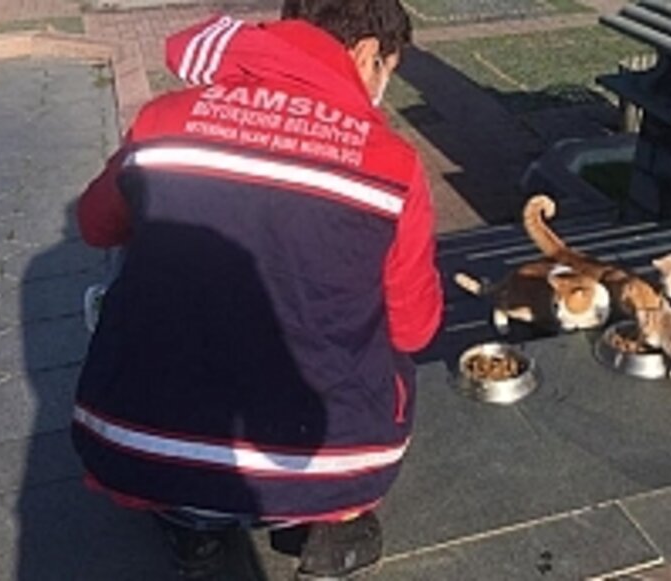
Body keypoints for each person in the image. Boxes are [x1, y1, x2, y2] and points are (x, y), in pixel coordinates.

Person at [72, 1, 443, 578]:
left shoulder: (162, 120)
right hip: (326, 466)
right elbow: (416, 326)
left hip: (141, 451)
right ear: (369, 53)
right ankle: (333, 531)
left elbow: (94, 226)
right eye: (385, 70)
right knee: (389, 319)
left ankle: (193, 530)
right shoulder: (392, 163)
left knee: (131, 245)